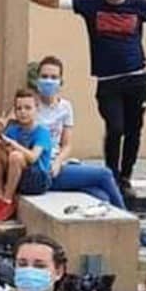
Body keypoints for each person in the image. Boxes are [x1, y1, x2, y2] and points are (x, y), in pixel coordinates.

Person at [30, 0, 146, 199]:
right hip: (108, 81)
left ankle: (125, 178)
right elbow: (59, 2)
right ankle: (111, 174)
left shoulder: (138, 5)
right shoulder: (92, 4)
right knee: (115, 127)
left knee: (133, 129)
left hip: (136, 79)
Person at [35, 56, 126, 209]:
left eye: (54, 77)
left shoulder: (65, 107)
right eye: (44, 76)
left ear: (61, 82)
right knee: (105, 174)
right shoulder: (30, 107)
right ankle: (129, 220)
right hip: (43, 169)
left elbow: (67, 145)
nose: (49, 81)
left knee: (101, 195)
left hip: (60, 165)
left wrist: (58, 162)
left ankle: (119, 220)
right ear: (37, 80)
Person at [0, 89, 53, 222]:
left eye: (28, 108)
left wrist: (14, 144)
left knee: (16, 156)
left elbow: (33, 157)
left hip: (37, 180)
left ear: (36, 109)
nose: (23, 112)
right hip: (17, 177)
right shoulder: (13, 130)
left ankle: (7, 201)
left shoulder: (42, 132)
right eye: (19, 108)